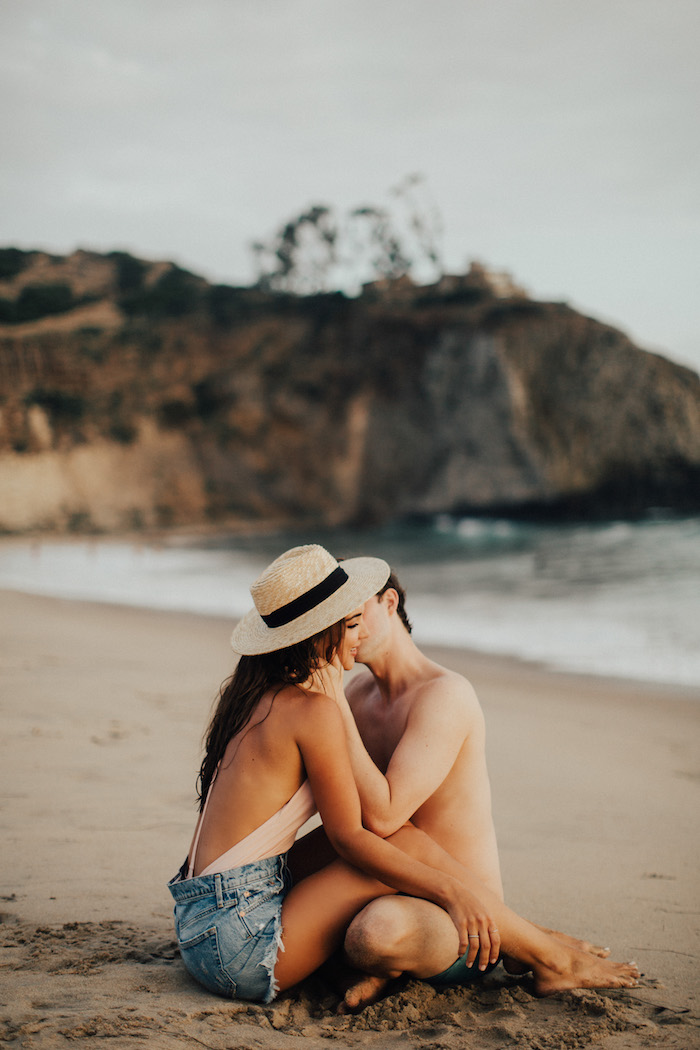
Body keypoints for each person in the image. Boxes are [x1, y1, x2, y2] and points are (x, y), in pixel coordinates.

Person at [169, 545, 640, 1005]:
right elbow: (361, 832)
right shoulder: (326, 704)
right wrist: (451, 890)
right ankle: (543, 953)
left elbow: (362, 825)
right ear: (321, 632)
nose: (355, 634)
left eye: (358, 619)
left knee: (389, 869)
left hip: (199, 920)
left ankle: (526, 941)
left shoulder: (267, 696)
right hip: (241, 944)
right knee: (395, 854)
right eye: (348, 623)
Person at [320, 572, 625, 1009]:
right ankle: (523, 935)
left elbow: (385, 817)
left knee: (373, 936)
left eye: (356, 612)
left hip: (463, 913)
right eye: (336, 619)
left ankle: (522, 944)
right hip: (380, 883)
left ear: (389, 603)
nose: (347, 628)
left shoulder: (445, 695)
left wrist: (330, 702)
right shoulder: (357, 694)